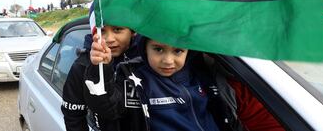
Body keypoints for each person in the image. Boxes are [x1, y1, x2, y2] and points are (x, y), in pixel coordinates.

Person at [84, 36, 285, 131]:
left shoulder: (204, 76)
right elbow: (107, 105)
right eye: (159, 49)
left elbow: (227, 118)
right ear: (145, 48)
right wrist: (99, 68)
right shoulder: (135, 80)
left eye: (178, 51)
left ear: (189, 51)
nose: (168, 61)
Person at [61, 21, 141, 131]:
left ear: (133, 32)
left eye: (117, 29)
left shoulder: (148, 61)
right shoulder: (82, 65)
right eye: (102, 30)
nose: (109, 39)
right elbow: (73, 116)